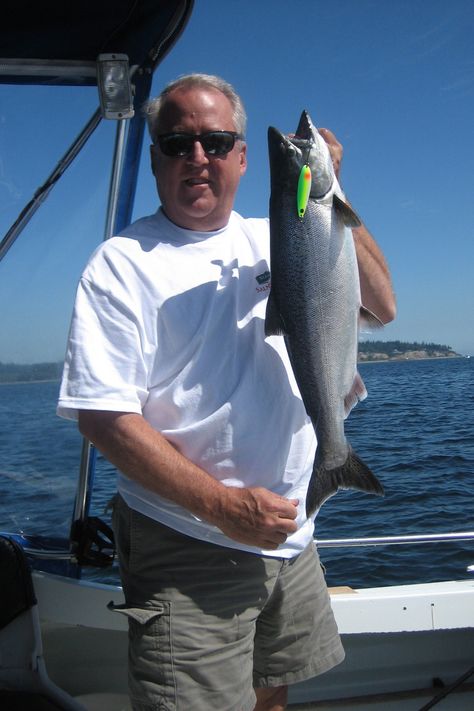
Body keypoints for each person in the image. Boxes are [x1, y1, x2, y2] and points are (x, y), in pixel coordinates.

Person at [58, 74, 395, 711]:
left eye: (216, 141)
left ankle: (331, 465)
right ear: (155, 156)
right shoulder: (121, 265)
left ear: (242, 156)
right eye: (177, 142)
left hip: (290, 533)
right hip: (190, 544)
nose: (198, 157)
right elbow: (104, 420)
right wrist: (223, 509)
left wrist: (331, 190)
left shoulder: (284, 230)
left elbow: (382, 304)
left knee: (273, 692)